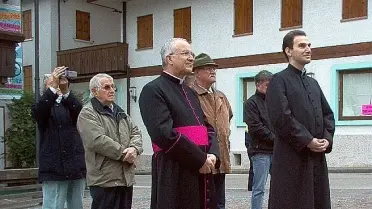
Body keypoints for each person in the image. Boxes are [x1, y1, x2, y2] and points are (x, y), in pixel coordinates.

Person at [139, 38, 220, 209]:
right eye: (185, 53)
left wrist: (213, 155)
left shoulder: (189, 91)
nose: (191, 58)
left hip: (202, 166)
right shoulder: (153, 90)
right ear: (169, 59)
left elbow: (207, 128)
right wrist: (200, 159)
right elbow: (163, 134)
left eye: (192, 54)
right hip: (175, 169)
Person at [266, 30, 335, 209]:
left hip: (316, 156)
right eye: (302, 45)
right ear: (289, 51)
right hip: (292, 157)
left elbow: (328, 114)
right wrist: (307, 140)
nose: (308, 49)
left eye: (309, 45)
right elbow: (281, 117)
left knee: (316, 200)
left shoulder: (313, 83)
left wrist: (326, 139)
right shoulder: (278, 80)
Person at [77, 73, 143, 209]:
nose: (112, 90)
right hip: (105, 179)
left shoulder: (120, 112)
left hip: (125, 178)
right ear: (94, 91)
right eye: (106, 87)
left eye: (113, 87)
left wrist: (134, 149)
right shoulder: (88, 113)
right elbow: (97, 140)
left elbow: (136, 132)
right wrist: (124, 154)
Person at [32, 66, 86, 209]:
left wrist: (66, 90)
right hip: (53, 170)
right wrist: (52, 88)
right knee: (53, 205)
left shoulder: (69, 104)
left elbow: (81, 115)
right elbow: (39, 112)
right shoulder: (43, 104)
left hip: (75, 167)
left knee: (77, 205)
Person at [190, 53, 233, 209]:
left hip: (221, 156)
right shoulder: (190, 95)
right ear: (196, 72)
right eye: (208, 68)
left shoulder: (221, 96)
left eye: (214, 68)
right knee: (204, 201)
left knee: (220, 202)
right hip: (203, 157)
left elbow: (228, 118)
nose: (213, 71)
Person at [243, 70, 275, 209]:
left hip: (276, 150)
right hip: (260, 151)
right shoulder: (251, 103)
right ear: (258, 85)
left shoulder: (274, 102)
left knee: (280, 186)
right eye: (268, 85)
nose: (270, 88)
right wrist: (276, 139)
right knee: (259, 188)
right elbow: (256, 127)